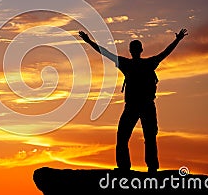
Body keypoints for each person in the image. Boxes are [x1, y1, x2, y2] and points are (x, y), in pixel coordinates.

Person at [79, 28, 188, 173]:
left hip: (138, 106)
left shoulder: (129, 64)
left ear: (132, 50)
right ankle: (149, 168)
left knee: (132, 137)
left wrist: (88, 41)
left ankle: (131, 167)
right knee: (142, 137)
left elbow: (105, 52)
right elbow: (165, 53)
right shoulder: (146, 63)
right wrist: (177, 40)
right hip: (141, 106)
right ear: (140, 50)